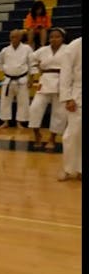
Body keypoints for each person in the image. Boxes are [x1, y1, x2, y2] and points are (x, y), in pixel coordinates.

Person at [28, 27, 67, 151]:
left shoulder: (68, 50)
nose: (54, 39)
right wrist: (35, 72)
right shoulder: (43, 50)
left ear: (63, 38)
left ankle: (52, 138)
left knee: (59, 112)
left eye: (57, 37)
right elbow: (31, 60)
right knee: (34, 108)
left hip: (62, 81)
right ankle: (37, 134)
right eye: (51, 37)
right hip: (44, 80)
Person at [0, 29, 37, 129]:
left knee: (23, 102)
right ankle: (6, 121)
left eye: (16, 37)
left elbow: (32, 64)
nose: (13, 39)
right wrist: (6, 70)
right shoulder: (5, 50)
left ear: (20, 37)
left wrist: (31, 79)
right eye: (12, 37)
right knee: (5, 101)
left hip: (22, 79)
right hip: (8, 79)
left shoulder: (27, 48)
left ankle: (20, 122)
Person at [57, 37, 81, 181]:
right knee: (73, 133)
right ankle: (68, 169)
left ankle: (80, 170)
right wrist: (67, 97)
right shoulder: (75, 45)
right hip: (78, 96)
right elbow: (65, 72)